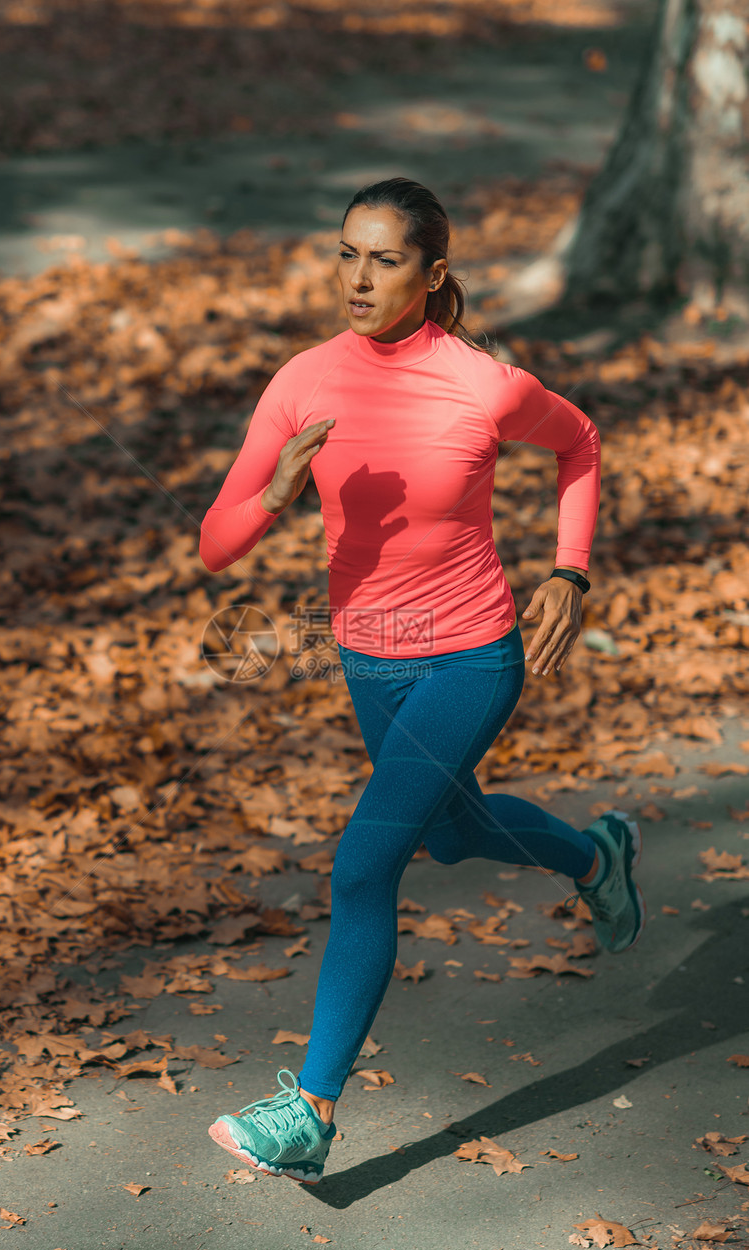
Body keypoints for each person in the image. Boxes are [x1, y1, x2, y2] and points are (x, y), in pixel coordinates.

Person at [198, 177, 645, 1186]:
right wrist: (270, 496)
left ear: (432, 272)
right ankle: (594, 859)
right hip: (366, 649)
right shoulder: (302, 379)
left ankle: (309, 1111)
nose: (357, 278)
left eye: (383, 259)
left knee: (364, 865)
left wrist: (567, 570)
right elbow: (215, 546)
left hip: (472, 654)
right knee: (446, 832)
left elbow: (578, 442)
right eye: (345, 253)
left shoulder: (482, 384)